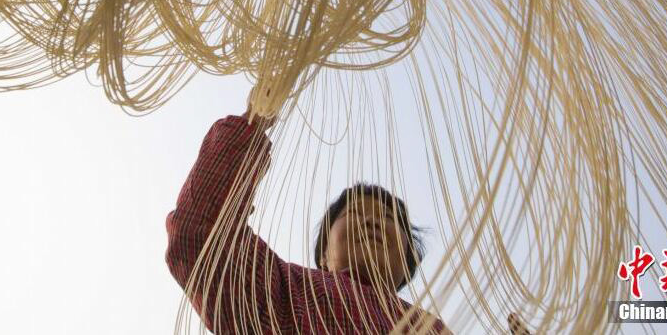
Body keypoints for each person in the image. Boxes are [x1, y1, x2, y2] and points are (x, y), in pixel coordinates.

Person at [165, 108, 452, 334]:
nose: (372, 222)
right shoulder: (286, 288)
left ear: (407, 262)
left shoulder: (431, 329)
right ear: (324, 254)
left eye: (389, 219)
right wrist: (251, 126)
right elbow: (200, 234)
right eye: (355, 213)